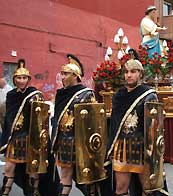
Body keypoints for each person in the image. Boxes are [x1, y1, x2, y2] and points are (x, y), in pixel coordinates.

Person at [107, 59, 169, 196]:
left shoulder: (149, 95)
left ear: (140, 74)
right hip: (122, 148)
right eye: (126, 72)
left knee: (148, 188)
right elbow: (114, 124)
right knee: (120, 189)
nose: (129, 75)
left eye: (133, 72)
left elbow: (154, 126)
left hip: (142, 148)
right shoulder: (119, 95)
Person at [0, 59, 59, 196]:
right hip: (15, 139)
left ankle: (34, 193)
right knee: (9, 169)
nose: (21, 80)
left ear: (28, 79)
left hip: (31, 139)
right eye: (19, 78)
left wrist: (45, 113)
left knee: (34, 170)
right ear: (14, 79)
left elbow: (40, 116)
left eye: (24, 78)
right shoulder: (11, 95)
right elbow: (9, 118)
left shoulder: (34, 94)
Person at [51, 54, 108, 196]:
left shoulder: (86, 94)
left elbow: (94, 123)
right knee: (65, 179)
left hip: (81, 145)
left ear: (75, 75)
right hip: (64, 142)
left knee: (88, 180)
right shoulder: (61, 94)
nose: (62, 77)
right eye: (62, 74)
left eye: (66, 74)